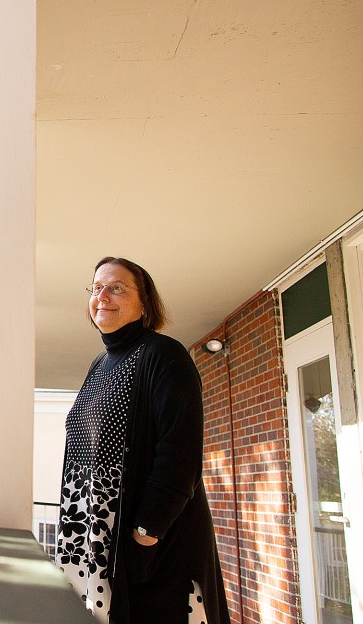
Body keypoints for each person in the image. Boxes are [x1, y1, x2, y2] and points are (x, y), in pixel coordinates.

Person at [57, 257, 230, 624]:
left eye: (117, 287)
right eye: (97, 287)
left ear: (145, 303)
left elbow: (179, 455)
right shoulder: (98, 364)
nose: (103, 295)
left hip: (149, 547)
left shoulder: (163, 355)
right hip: (92, 535)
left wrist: (145, 535)